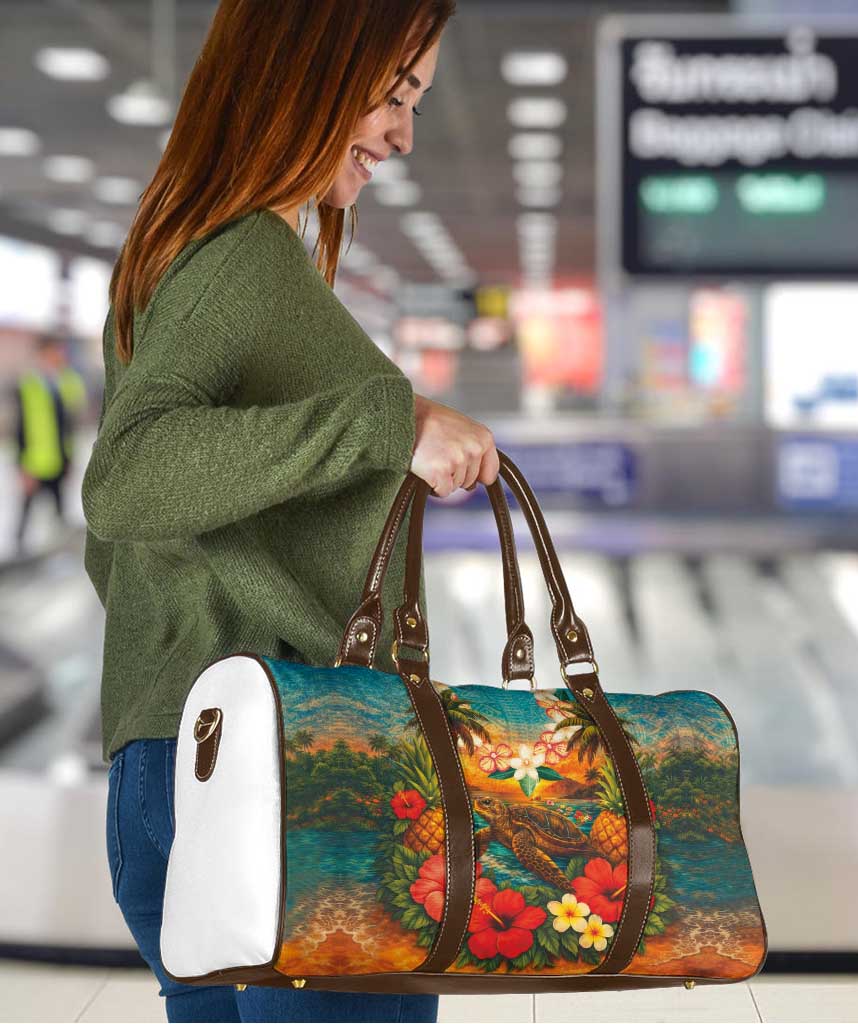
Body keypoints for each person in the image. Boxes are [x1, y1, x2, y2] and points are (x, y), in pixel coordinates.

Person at [80, 2, 495, 1021]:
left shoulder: (183, 253)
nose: (403, 133)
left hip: (181, 755)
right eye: (394, 94)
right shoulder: (241, 258)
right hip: (297, 773)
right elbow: (126, 476)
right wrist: (386, 424)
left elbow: (121, 546)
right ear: (310, 67)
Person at [11, 331, 85, 556]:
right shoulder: (28, 385)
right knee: (26, 513)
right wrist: (22, 467)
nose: (59, 355)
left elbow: (70, 420)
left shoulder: (64, 381)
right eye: (54, 351)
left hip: (59, 460)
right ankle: (18, 555)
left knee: (60, 512)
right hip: (35, 463)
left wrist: (69, 459)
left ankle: (59, 554)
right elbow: (20, 428)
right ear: (43, 353)